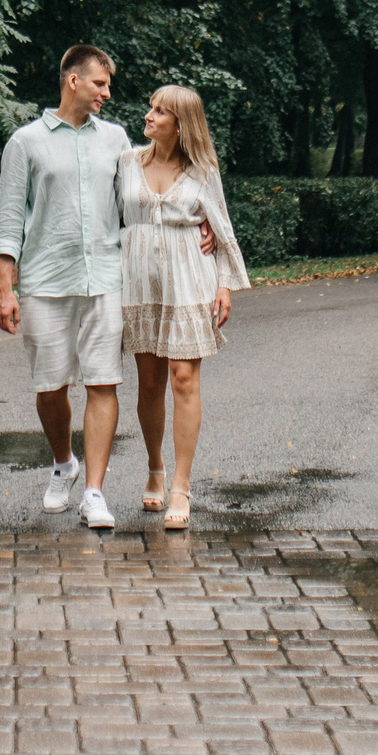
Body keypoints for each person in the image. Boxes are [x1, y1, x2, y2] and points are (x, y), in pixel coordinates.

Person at [0, 44, 130, 529]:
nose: (107, 93)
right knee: (50, 387)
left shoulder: (115, 139)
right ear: (74, 80)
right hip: (46, 281)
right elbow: (9, 220)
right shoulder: (25, 142)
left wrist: (198, 217)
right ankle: (62, 463)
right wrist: (5, 288)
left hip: (104, 280)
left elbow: (135, 202)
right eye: (100, 83)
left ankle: (94, 491)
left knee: (103, 380)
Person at [117, 84, 248, 531]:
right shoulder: (127, 162)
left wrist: (225, 283)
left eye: (160, 111)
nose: (149, 115)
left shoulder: (202, 169)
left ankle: (180, 485)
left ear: (180, 123)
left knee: (184, 378)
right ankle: (154, 464)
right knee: (149, 384)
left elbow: (222, 225)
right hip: (138, 283)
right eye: (150, 106)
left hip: (190, 278)